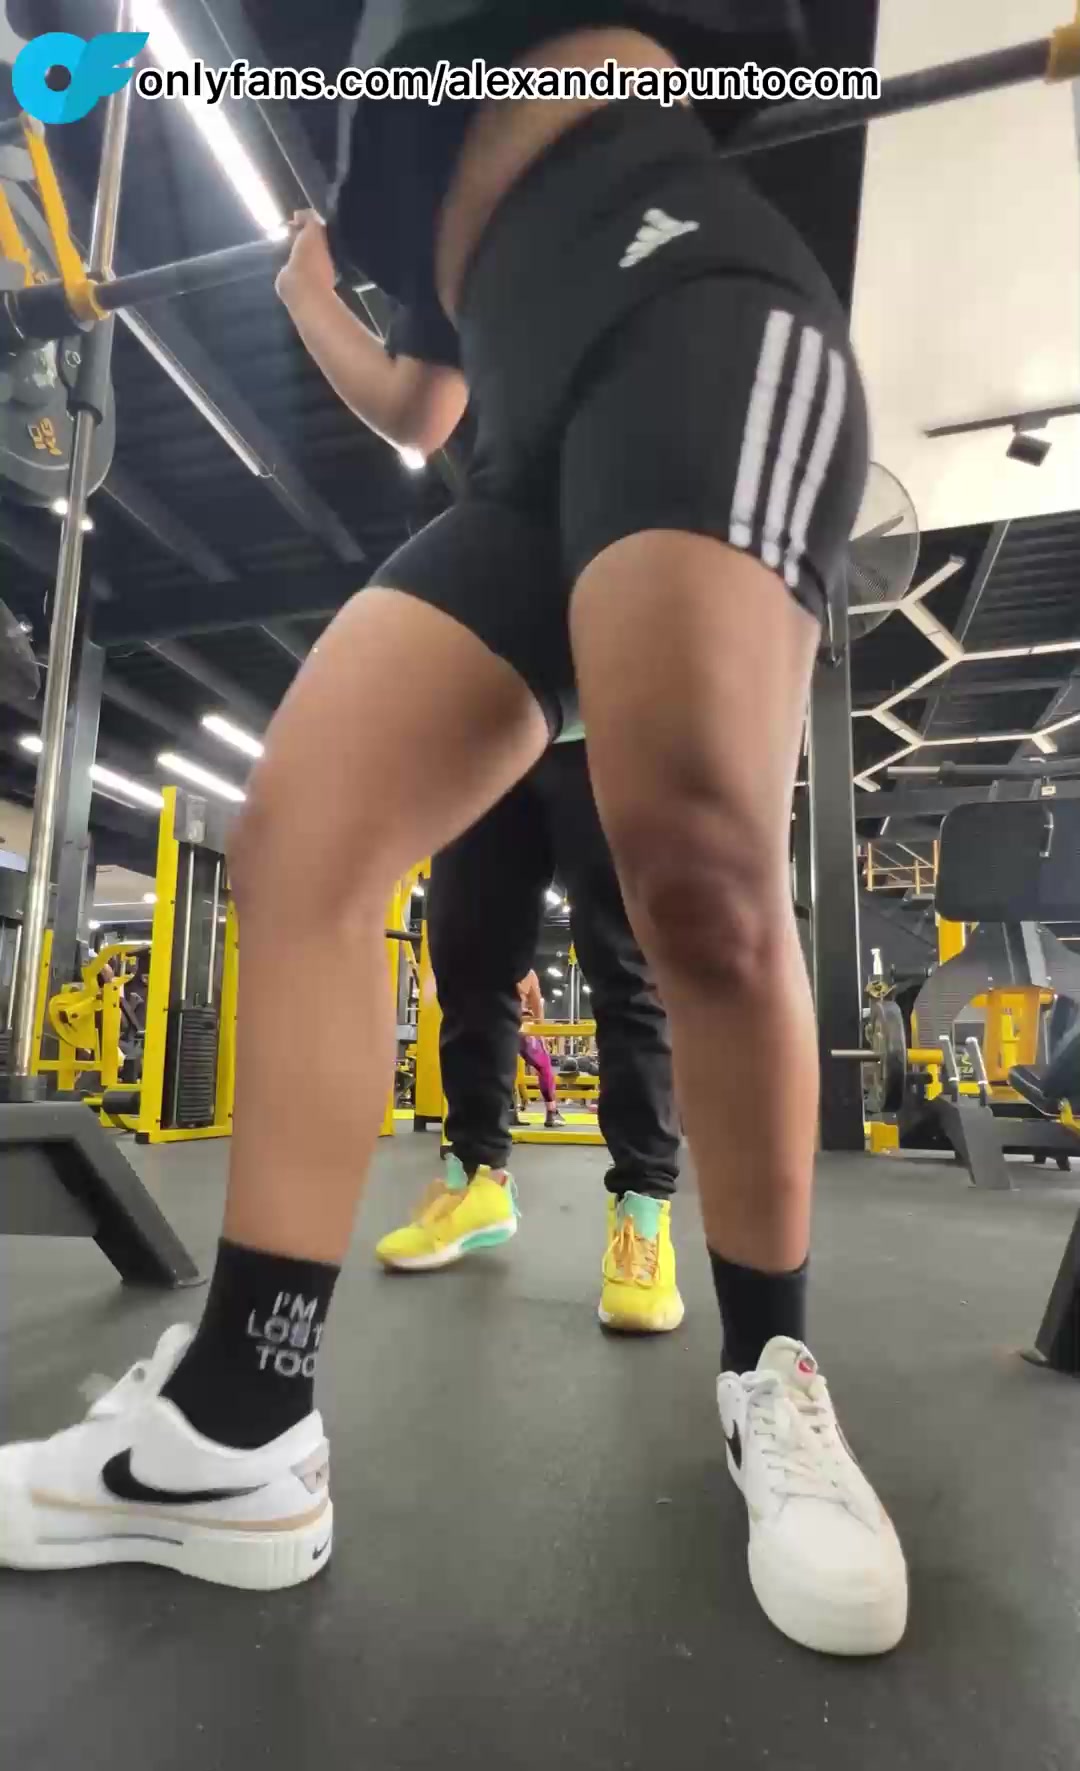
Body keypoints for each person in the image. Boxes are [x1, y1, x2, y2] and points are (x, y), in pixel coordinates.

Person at [0, 5, 908, 1656]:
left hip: (692, 301)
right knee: (304, 843)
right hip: (515, 444)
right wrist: (306, 297)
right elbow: (423, 405)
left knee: (696, 867)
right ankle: (239, 1423)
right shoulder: (381, 111)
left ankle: (772, 1378)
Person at [374, 738, 684, 1335]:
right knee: (468, 959)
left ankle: (642, 1211)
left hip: (599, 726)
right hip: (484, 737)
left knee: (625, 961)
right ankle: (476, 1182)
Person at [516, 966, 562, 1127]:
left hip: (488, 1026)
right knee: (544, 1066)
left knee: (502, 1069)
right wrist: (541, 1035)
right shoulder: (526, 972)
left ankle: (507, 1112)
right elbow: (537, 1006)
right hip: (518, 1026)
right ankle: (551, 1112)